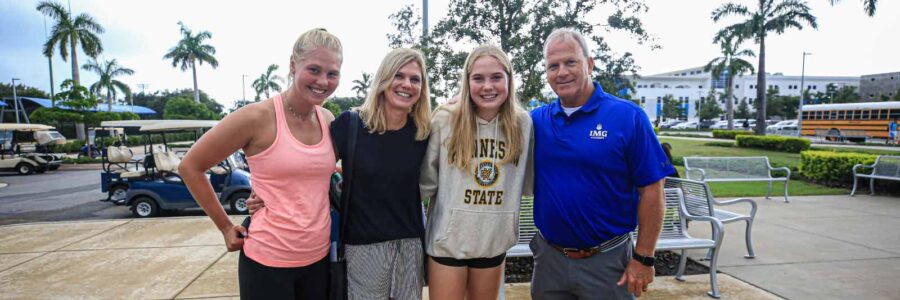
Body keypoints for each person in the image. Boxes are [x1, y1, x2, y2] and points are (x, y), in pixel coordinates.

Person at [248, 48, 433, 299]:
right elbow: (308, 165)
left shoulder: (423, 132)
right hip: (363, 247)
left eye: (415, 79)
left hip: (411, 245)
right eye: (398, 76)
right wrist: (263, 193)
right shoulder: (351, 125)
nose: (406, 84)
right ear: (383, 80)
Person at [179, 28, 341, 299]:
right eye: (314, 69)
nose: (323, 81)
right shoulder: (256, 117)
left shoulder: (327, 118)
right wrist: (225, 227)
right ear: (293, 65)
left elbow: (318, 174)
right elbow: (190, 166)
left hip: (319, 259)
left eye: (332, 73)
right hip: (268, 262)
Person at [529, 28, 675, 299]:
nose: (561, 72)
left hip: (608, 262)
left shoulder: (628, 117)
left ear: (589, 63)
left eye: (570, 62)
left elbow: (653, 189)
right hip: (549, 262)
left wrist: (644, 258)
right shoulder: (536, 121)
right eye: (553, 66)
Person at [419, 44, 532, 300]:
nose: (487, 86)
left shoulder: (523, 124)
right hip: (448, 244)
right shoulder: (446, 119)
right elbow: (426, 183)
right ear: (467, 81)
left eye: (496, 77)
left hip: (492, 242)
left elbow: (526, 184)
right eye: (478, 78)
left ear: (509, 80)